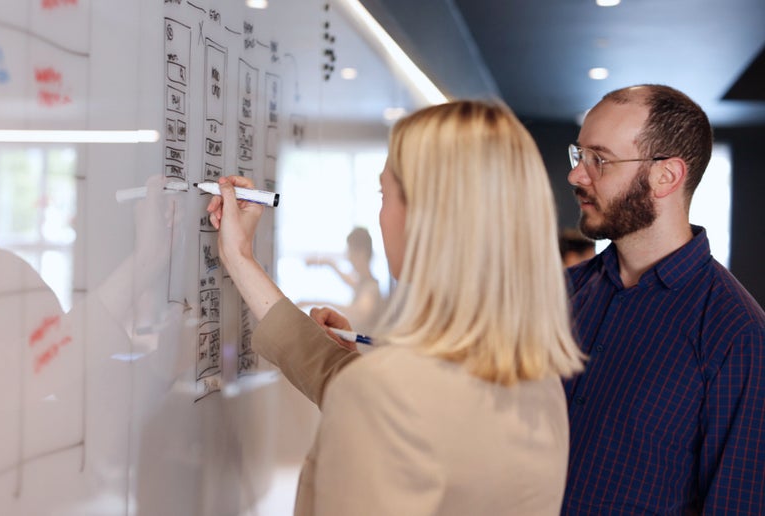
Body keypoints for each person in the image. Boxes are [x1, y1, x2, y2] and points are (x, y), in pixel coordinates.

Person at [206, 100, 584, 515]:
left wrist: (370, 383)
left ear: (430, 215)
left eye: (384, 194)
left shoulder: (388, 393)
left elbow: (384, 398)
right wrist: (240, 257)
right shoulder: (537, 378)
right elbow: (367, 387)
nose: (381, 214)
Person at [563, 84, 765, 514]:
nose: (577, 175)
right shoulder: (560, 294)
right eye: (579, 156)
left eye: (599, 159)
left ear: (666, 176)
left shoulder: (736, 334)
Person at [297, 227, 383, 334]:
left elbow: (359, 313)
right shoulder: (363, 283)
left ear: (362, 253)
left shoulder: (371, 287)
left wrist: (321, 304)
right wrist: (328, 263)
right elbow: (348, 280)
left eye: (351, 252)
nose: (349, 258)